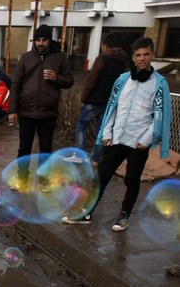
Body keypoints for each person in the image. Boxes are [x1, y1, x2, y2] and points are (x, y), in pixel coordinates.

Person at [62, 38, 171, 231]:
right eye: (138, 55)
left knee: (131, 180)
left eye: (146, 54)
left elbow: (159, 116)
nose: (142, 59)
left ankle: (124, 215)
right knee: (101, 177)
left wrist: (146, 140)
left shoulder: (159, 84)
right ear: (133, 57)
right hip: (116, 139)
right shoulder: (122, 80)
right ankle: (86, 212)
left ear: (152, 55)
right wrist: (107, 132)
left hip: (139, 143)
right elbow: (113, 108)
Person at [8, 24, 74, 186]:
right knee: (24, 148)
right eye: (37, 40)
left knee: (45, 149)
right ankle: (22, 179)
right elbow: (15, 85)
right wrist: (12, 110)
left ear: (49, 40)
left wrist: (56, 78)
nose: (40, 43)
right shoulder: (26, 58)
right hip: (26, 112)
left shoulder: (60, 58)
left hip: (48, 113)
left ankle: (44, 181)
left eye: (44, 40)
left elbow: (70, 80)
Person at [71, 33, 128, 164]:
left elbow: (92, 80)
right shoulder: (122, 61)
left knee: (81, 126)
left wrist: (84, 98)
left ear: (106, 46)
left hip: (93, 100)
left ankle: (79, 155)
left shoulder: (102, 59)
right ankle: (95, 158)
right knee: (100, 131)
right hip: (109, 102)